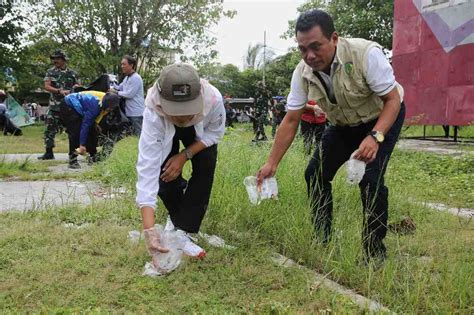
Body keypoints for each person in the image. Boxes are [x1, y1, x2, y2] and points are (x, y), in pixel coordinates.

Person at [256, 9, 405, 266]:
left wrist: (375, 137)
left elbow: (392, 100)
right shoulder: (302, 72)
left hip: (380, 118)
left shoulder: (365, 54)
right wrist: (272, 163)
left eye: (316, 46)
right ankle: (322, 238)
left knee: (371, 180)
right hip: (341, 124)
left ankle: (373, 253)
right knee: (314, 174)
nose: (310, 56)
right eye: (303, 49)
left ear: (334, 38)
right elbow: (291, 120)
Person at [136, 63, 225, 263]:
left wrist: (185, 155)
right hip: (165, 131)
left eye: (187, 110)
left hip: (202, 138)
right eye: (176, 110)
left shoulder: (213, 99)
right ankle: (176, 219)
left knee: (205, 167)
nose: (183, 117)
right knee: (164, 175)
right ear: (162, 103)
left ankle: (184, 229)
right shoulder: (153, 110)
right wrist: (149, 231)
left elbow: (215, 133)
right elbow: (147, 169)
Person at [60, 91, 119, 169]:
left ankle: (93, 156)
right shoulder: (95, 106)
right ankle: (72, 159)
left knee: (93, 130)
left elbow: (101, 112)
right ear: (105, 103)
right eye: (109, 108)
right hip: (69, 104)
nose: (110, 109)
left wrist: (96, 123)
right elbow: (85, 126)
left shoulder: (107, 101)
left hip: (83, 106)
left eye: (112, 108)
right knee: (76, 131)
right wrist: (82, 145)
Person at [38, 49, 80, 160]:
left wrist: (72, 90)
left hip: (69, 107)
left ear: (63, 60)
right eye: (54, 58)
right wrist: (58, 91)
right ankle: (48, 152)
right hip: (54, 106)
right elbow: (46, 86)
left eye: (57, 58)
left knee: (73, 130)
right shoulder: (50, 72)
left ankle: (73, 154)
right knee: (49, 129)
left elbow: (79, 86)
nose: (55, 60)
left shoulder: (72, 73)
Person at [111, 55, 145, 136]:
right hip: (129, 112)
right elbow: (119, 87)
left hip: (136, 113)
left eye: (124, 64)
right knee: (127, 135)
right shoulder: (127, 78)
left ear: (131, 65)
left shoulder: (136, 78)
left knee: (138, 137)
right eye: (121, 64)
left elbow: (129, 94)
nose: (122, 66)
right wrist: (111, 82)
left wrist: (116, 92)